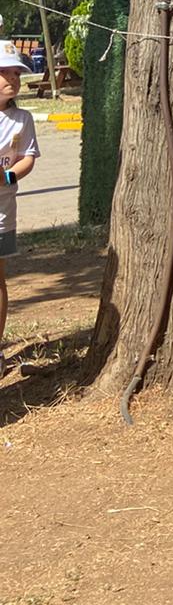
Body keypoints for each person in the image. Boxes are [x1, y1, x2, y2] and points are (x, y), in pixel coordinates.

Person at [0, 41, 39, 368]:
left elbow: (28, 159)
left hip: (2, 213)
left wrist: (7, 178)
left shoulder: (22, 119)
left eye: (16, 72)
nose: (12, 78)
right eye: (4, 72)